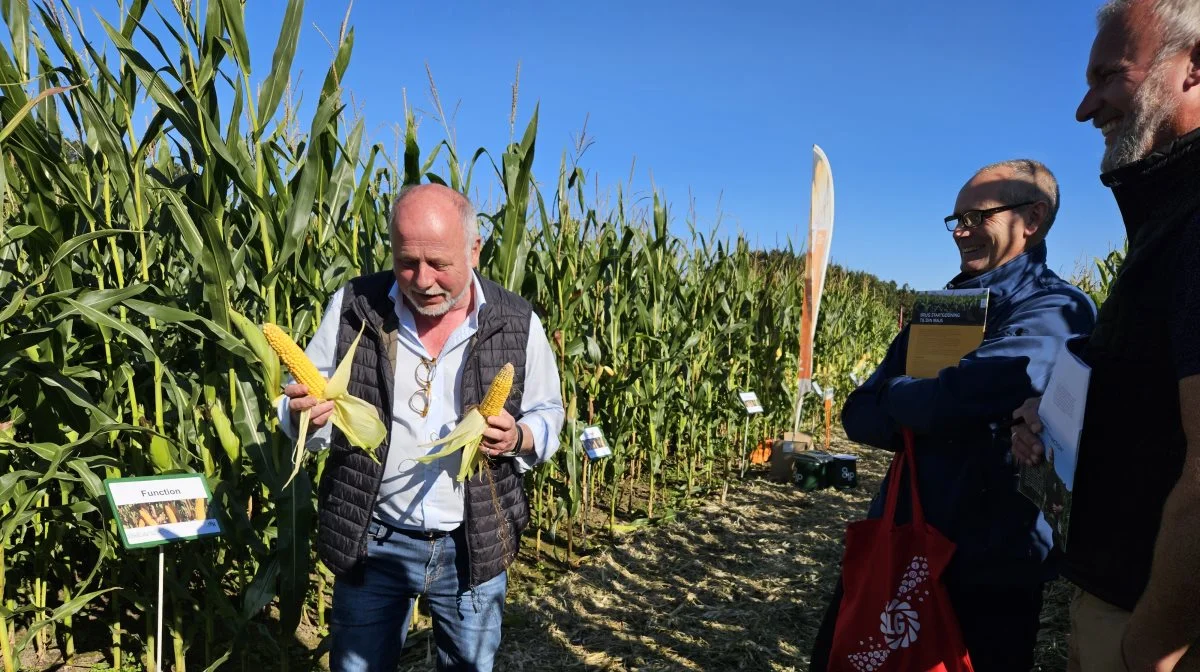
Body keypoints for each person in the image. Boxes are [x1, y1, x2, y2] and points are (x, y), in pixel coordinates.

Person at [809, 159, 1097, 671]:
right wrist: (935, 404)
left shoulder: (1057, 308)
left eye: (976, 216)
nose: (960, 231)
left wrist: (904, 396)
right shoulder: (944, 307)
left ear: (1031, 219)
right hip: (901, 534)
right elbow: (859, 414)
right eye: (955, 219)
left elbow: (962, 395)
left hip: (989, 561)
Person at [278, 183, 565, 671]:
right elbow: (303, 401)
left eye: (439, 264)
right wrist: (302, 413)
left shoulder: (517, 321)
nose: (423, 280)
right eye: (407, 262)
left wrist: (520, 436)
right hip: (373, 537)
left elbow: (548, 410)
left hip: (470, 544)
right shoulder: (354, 305)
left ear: (475, 250)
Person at [1010, 1, 1200, 669]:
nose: (1084, 109)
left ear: (1195, 67)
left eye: (1109, 76)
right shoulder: (1166, 215)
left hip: (1153, 622)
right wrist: (1055, 416)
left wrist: (1148, 646)